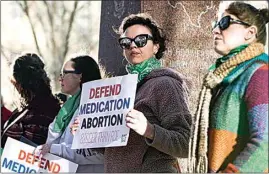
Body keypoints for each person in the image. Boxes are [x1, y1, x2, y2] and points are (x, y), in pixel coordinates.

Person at [71, 13, 192, 173]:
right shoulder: (122, 88)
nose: (133, 46)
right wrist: (87, 132)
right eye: (126, 42)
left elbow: (186, 144)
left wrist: (148, 130)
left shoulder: (165, 84)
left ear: (156, 46)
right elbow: (113, 149)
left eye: (141, 40)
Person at [188, 2, 269, 173]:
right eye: (216, 24)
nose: (216, 30)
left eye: (225, 23)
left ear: (250, 33)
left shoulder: (259, 73)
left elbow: (265, 144)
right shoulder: (221, 78)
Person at [36, 55, 104, 173]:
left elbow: (98, 154)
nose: (60, 78)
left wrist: (53, 149)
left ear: (80, 76)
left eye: (65, 73)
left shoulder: (97, 107)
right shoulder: (68, 108)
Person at [1, 53, 61, 148]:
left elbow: (27, 152)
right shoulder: (31, 109)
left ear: (20, 84)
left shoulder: (40, 112)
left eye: (15, 84)